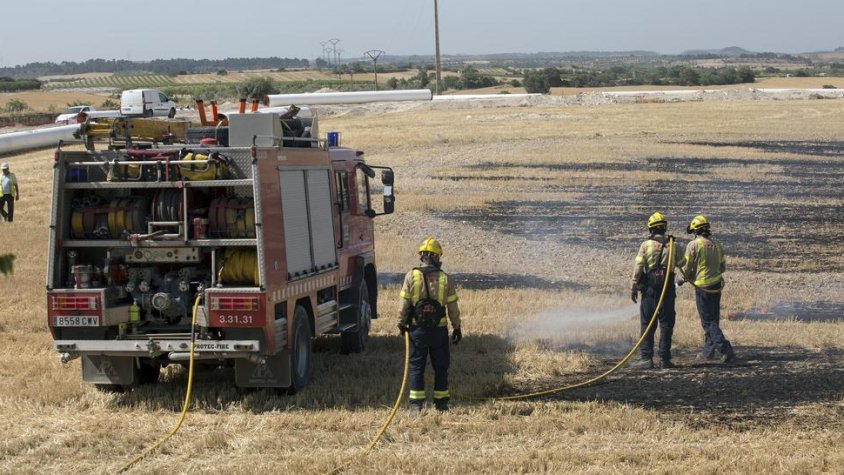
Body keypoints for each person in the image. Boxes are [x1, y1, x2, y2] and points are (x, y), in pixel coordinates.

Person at [398, 237, 461, 414]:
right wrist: (457, 327)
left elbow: (404, 304)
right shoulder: (445, 279)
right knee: (441, 366)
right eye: (439, 257)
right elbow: (453, 307)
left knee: (416, 366)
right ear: (434, 257)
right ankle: (441, 404)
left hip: (417, 330)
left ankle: (415, 406)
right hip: (438, 331)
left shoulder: (411, 276)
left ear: (422, 256)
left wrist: (401, 323)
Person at [630, 212, 686, 369]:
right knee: (666, 324)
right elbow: (683, 264)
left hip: (649, 289)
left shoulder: (646, 245)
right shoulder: (674, 245)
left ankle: (646, 359)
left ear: (651, 229)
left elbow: (639, 266)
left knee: (647, 323)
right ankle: (665, 360)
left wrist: (634, 285)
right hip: (667, 289)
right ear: (664, 227)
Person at [681, 215, 736, 364]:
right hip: (716, 286)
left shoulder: (693, 245)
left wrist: (686, 278)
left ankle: (725, 349)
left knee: (708, 322)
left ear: (695, 231)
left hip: (703, 287)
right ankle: (708, 353)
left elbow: (688, 267)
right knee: (714, 320)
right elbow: (722, 267)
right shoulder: (717, 245)